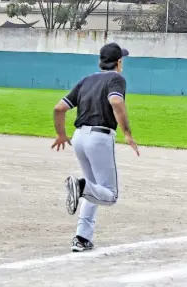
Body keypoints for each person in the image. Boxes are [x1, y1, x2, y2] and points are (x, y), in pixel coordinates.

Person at [51, 42, 140, 251]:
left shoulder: (86, 80)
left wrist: (61, 134)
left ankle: (82, 237)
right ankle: (80, 186)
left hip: (79, 137)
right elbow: (116, 102)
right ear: (118, 62)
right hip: (99, 137)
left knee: (94, 187)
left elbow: (59, 108)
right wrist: (127, 133)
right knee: (109, 195)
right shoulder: (116, 78)